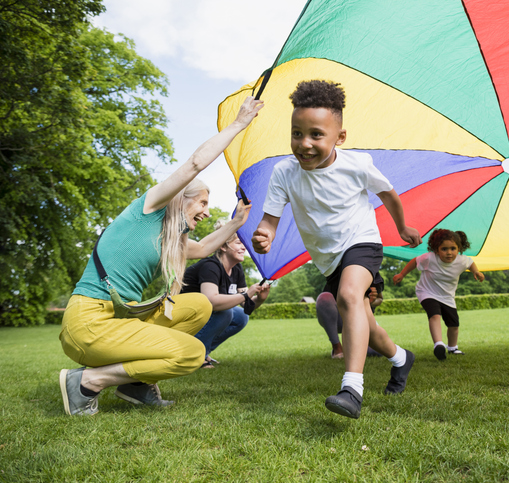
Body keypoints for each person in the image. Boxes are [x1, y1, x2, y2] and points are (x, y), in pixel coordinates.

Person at [58, 96, 264, 416]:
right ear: (182, 198)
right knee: (192, 354)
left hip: (120, 319)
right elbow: (195, 163)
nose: (207, 213)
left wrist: (237, 222)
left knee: (198, 305)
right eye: (203, 204)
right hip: (89, 324)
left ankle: (135, 385)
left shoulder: (171, 239)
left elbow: (206, 248)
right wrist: (239, 124)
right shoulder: (148, 209)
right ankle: (89, 381)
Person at [251, 80, 421, 419]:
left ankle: (352, 389)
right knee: (366, 326)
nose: (305, 144)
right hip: (328, 258)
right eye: (296, 133)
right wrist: (263, 234)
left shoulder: (356, 165)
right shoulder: (284, 172)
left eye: (316, 134)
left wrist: (402, 227)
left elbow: (388, 194)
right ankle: (401, 359)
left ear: (339, 137)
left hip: (362, 242)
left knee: (348, 297)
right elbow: (269, 220)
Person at [182, 221, 270, 368]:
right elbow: (212, 301)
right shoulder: (210, 266)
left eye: (244, 243)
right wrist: (247, 294)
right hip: (183, 313)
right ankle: (193, 355)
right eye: (238, 243)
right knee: (225, 312)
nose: (244, 247)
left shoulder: (237, 269)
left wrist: (259, 299)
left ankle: (202, 351)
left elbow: (245, 305)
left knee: (241, 316)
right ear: (223, 246)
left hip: (203, 313)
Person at [393, 229, 484, 361]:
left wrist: (476, 272)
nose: (449, 252)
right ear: (436, 250)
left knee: (453, 324)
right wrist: (401, 274)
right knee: (434, 315)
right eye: (444, 249)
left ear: (459, 249)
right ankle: (438, 344)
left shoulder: (461, 260)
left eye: (453, 248)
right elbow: (414, 261)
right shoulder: (429, 258)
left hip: (447, 297)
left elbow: (470, 263)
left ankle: (452, 348)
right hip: (426, 292)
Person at [316, 284, 384, 359]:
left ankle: (354, 345)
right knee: (324, 298)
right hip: (340, 317)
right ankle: (337, 348)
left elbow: (380, 299)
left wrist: (371, 300)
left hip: (361, 318)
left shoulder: (373, 275)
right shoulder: (335, 275)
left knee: (378, 350)